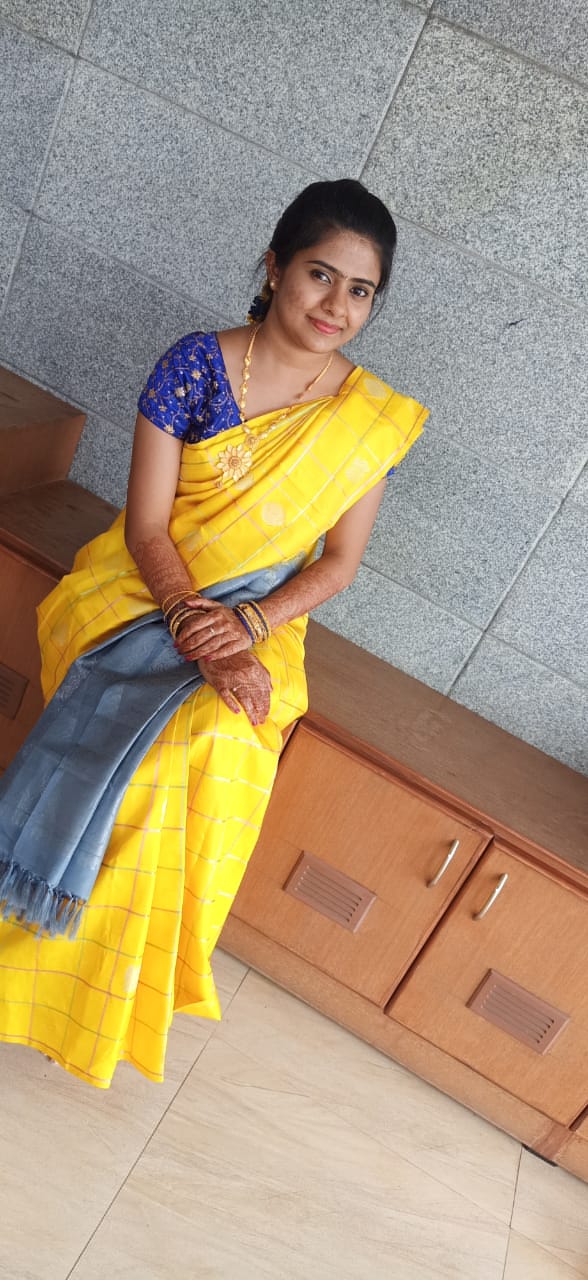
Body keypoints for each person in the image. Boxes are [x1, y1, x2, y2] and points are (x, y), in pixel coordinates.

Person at [0, 179, 428, 1088]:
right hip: (140, 591)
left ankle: (106, 992)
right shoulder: (195, 365)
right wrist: (204, 632)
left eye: (360, 290)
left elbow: (338, 564)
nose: (336, 305)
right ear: (274, 268)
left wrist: (247, 628)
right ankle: (26, 965)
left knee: (213, 746)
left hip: (267, 615)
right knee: (149, 753)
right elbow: (148, 527)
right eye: (320, 274)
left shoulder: (367, 421)